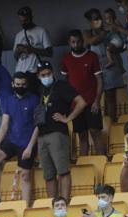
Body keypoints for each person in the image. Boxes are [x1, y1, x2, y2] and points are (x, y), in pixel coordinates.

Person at [0, 72, 40, 206]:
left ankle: (25, 206)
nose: (21, 86)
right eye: (18, 84)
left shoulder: (35, 99)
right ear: (13, 84)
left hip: (27, 143)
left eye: (23, 84)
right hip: (11, 140)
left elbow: (38, 126)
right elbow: (4, 124)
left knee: (25, 176)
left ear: (27, 85)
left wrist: (31, 147)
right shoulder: (9, 99)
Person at [36, 61, 87, 200]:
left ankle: (65, 202)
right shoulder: (40, 90)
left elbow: (81, 102)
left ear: (53, 72)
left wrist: (68, 118)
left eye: (48, 73)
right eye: (43, 75)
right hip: (41, 135)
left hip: (57, 133)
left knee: (63, 171)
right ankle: (54, 204)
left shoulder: (61, 86)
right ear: (38, 76)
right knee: (48, 175)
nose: (46, 77)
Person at [61, 29, 105, 156]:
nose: (76, 45)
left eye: (78, 42)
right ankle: (84, 165)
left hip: (92, 103)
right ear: (69, 42)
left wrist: (97, 101)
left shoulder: (92, 56)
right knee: (82, 136)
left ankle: (102, 162)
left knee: (95, 133)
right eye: (73, 42)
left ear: (82, 41)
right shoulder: (66, 59)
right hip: (75, 106)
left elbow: (100, 81)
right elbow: (65, 84)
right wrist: (68, 104)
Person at [83, 8, 125, 120]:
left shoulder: (110, 28)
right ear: (90, 22)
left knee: (110, 94)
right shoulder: (87, 32)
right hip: (95, 66)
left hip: (110, 64)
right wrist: (105, 32)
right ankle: (100, 121)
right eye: (94, 19)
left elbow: (120, 46)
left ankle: (112, 121)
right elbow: (92, 41)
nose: (98, 21)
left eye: (99, 18)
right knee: (96, 95)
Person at [13, 6, 53, 75]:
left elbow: (50, 53)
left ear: (31, 18)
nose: (23, 23)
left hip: (34, 71)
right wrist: (18, 51)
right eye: (21, 21)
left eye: (25, 20)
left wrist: (32, 49)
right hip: (19, 71)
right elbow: (16, 57)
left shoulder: (42, 31)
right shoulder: (18, 35)